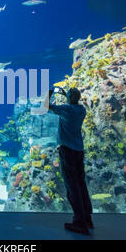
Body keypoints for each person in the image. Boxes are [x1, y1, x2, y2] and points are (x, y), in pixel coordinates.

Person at [43, 87, 93, 235]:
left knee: (72, 187)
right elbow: (72, 102)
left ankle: (79, 222)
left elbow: (46, 107)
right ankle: (87, 218)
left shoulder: (66, 109)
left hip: (67, 152)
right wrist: (68, 96)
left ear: (69, 98)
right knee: (81, 184)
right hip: (79, 151)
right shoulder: (81, 110)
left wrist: (50, 91)